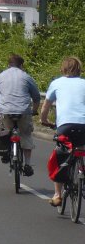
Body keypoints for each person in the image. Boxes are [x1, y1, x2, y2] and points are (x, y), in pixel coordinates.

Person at [40, 56, 85, 206]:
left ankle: (57, 195)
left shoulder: (56, 83)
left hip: (65, 126)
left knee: (60, 156)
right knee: (82, 149)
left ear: (63, 68)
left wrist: (44, 120)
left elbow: (46, 106)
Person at [0, 54, 41, 176]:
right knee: (26, 134)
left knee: (6, 130)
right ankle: (27, 164)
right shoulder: (27, 77)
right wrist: (34, 110)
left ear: (8, 65)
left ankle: (6, 153)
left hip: (6, 111)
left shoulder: (1, 76)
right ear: (21, 65)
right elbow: (36, 97)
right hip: (23, 111)